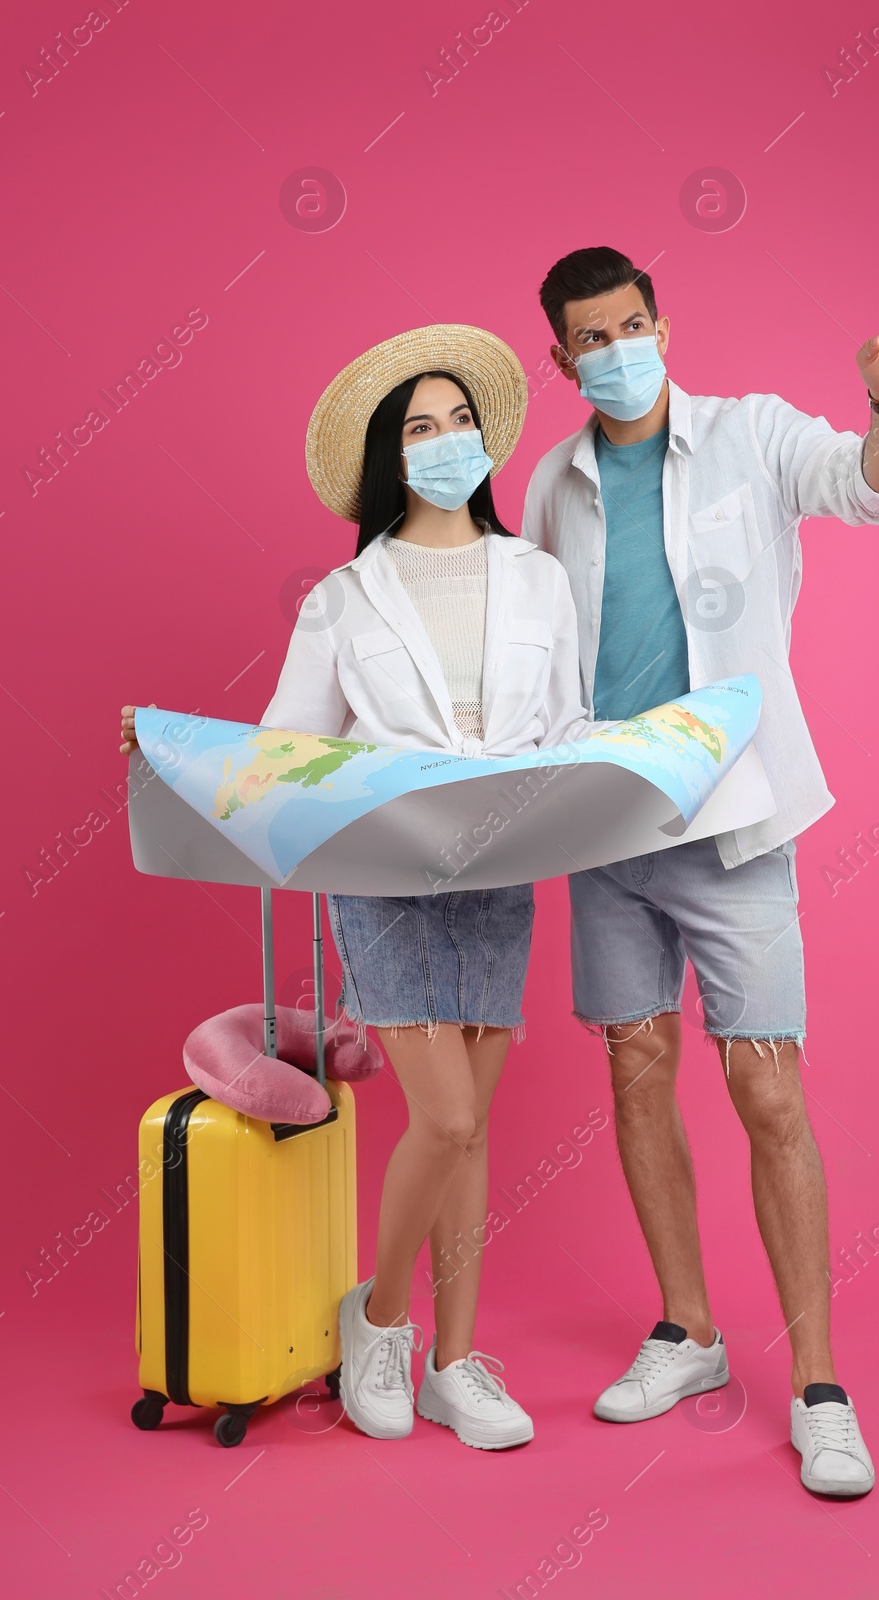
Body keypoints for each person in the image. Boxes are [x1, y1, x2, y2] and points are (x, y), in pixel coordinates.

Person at [121, 324, 589, 1450]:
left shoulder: (539, 579)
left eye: (455, 422)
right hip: (385, 872)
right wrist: (166, 742)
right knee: (448, 1113)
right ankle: (379, 1319)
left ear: (484, 439)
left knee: (472, 1136)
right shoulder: (345, 594)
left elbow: (568, 727)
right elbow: (289, 747)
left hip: (502, 865)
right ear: (391, 460)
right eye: (417, 429)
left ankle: (459, 1360)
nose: (442, 442)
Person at [522, 247, 879, 1497]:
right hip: (607, 834)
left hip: (735, 823)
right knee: (637, 1071)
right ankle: (690, 1331)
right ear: (559, 360)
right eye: (589, 339)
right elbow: (541, 649)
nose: (616, 350)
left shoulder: (750, 435)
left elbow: (873, 494)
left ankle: (818, 1384)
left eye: (631, 325)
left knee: (766, 1092)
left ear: (661, 321)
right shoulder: (553, 483)